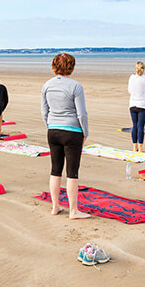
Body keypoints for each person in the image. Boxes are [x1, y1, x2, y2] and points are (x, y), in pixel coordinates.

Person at [41, 53, 90, 219]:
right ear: (72, 66)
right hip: (72, 131)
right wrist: (85, 132)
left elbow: (44, 111)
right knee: (72, 172)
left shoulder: (47, 85)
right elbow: (81, 113)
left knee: (55, 170)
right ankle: (73, 211)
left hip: (53, 130)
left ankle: (55, 206)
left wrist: (50, 125)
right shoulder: (76, 86)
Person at [128, 61, 145, 152]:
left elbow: (130, 90)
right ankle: (141, 148)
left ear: (135, 69)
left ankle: (134, 147)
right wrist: (143, 94)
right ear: (143, 69)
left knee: (135, 125)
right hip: (142, 105)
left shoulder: (131, 77)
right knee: (140, 126)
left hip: (133, 104)